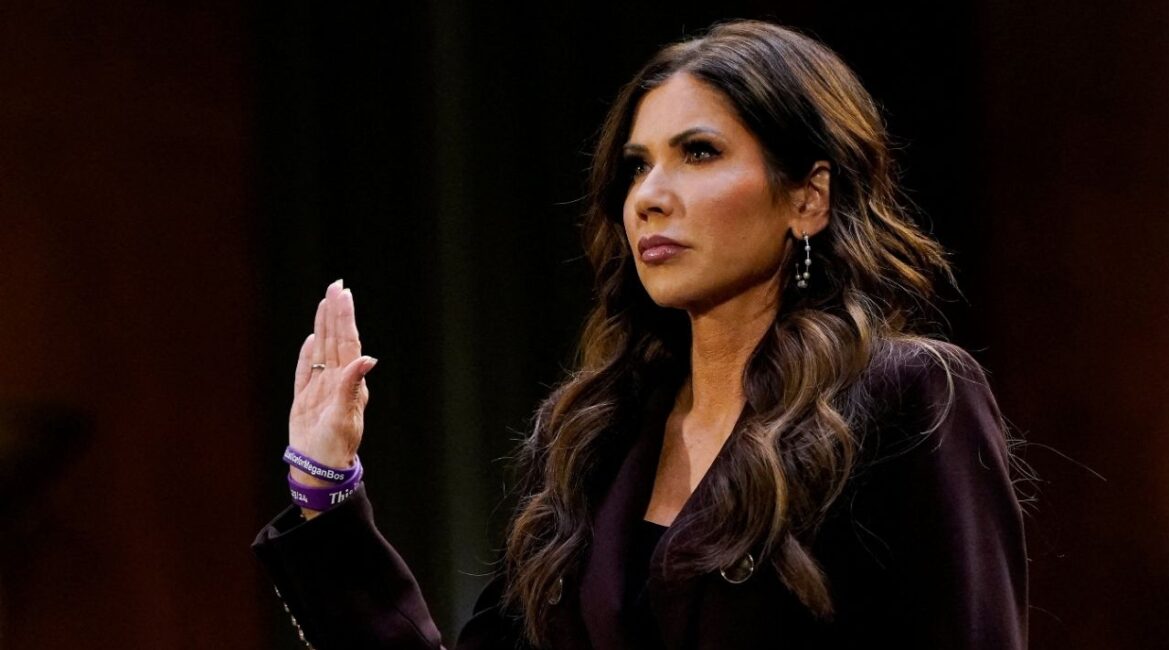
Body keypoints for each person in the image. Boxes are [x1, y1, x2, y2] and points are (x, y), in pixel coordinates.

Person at [253, 19, 1028, 650]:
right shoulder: (600, 438)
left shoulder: (905, 396)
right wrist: (327, 493)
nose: (649, 197)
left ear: (808, 198)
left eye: (698, 153)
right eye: (635, 167)